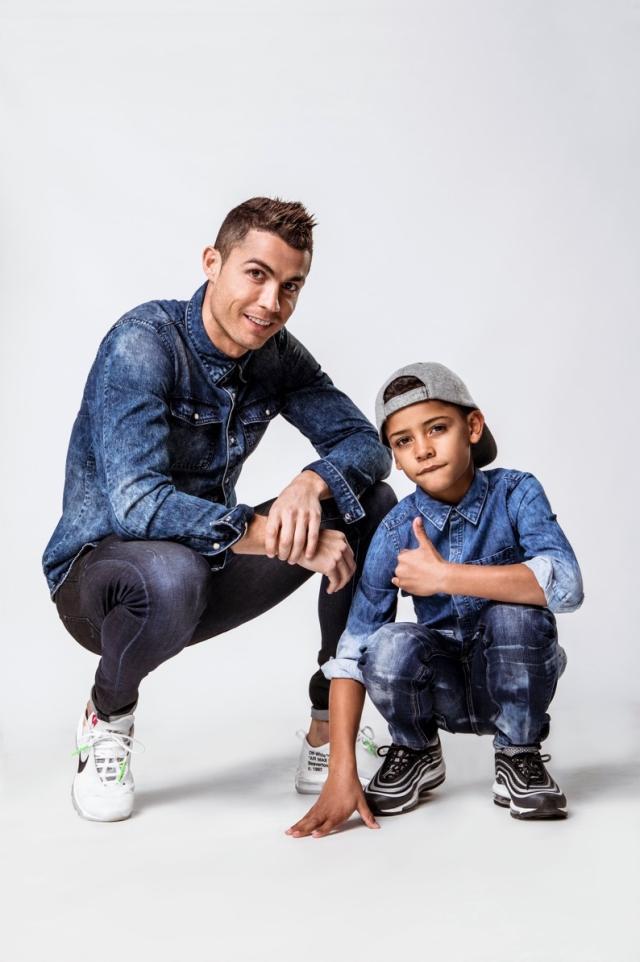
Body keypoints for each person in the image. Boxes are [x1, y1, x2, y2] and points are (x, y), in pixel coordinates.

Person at [43, 197, 395, 822]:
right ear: (213, 262)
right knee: (172, 571)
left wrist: (311, 483)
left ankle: (327, 726)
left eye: (290, 286)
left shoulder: (276, 354)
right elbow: (137, 506)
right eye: (256, 274)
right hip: (104, 581)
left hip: (208, 565)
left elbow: (367, 445)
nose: (270, 303)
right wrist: (266, 533)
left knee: (368, 503)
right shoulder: (143, 343)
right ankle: (108, 716)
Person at [287, 361, 583, 838]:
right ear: (396, 458)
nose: (422, 450)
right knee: (387, 643)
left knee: (516, 618)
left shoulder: (517, 493)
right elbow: (352, 653)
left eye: (437, 429)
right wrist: (342, 770)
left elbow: (566, 585)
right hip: (439, 686)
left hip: (510, 678)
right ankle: (417, 749)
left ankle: (518, 753)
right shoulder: (395, 530)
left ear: (473, 427)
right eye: (404, 441)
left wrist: (445, 576)